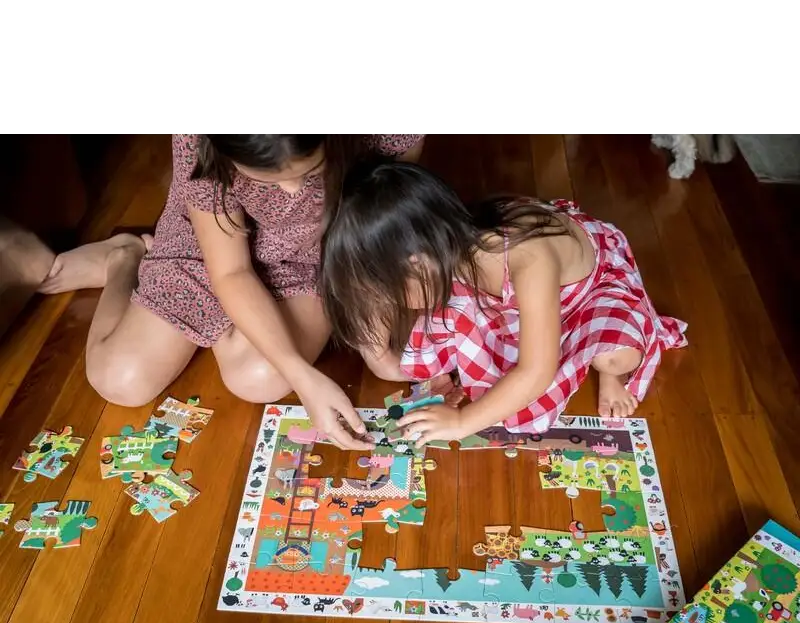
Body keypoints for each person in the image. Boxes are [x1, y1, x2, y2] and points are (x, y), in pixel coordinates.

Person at [39, 130, 425, 449]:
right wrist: (302, 376)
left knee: (258, 378)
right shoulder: (200, 139)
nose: (290, 190)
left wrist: (375, 344)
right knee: (120, 379)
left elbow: (379, 226)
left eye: (310, 170)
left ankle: (226, 322)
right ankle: (123, 256)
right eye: (266, 179)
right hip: (211, 241)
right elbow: (231, 271)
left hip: (317, 246)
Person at [320, 159, 688, 447]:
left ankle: (612, 371)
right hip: (506, 288)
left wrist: (463, 423)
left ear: (418, 264)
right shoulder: (448, 254)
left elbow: (535, 373)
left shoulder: (529, 261)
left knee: (612, 355)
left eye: (393, 295)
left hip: (590, 293)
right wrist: (437, 374)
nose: (399, 306)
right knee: (453, 323)